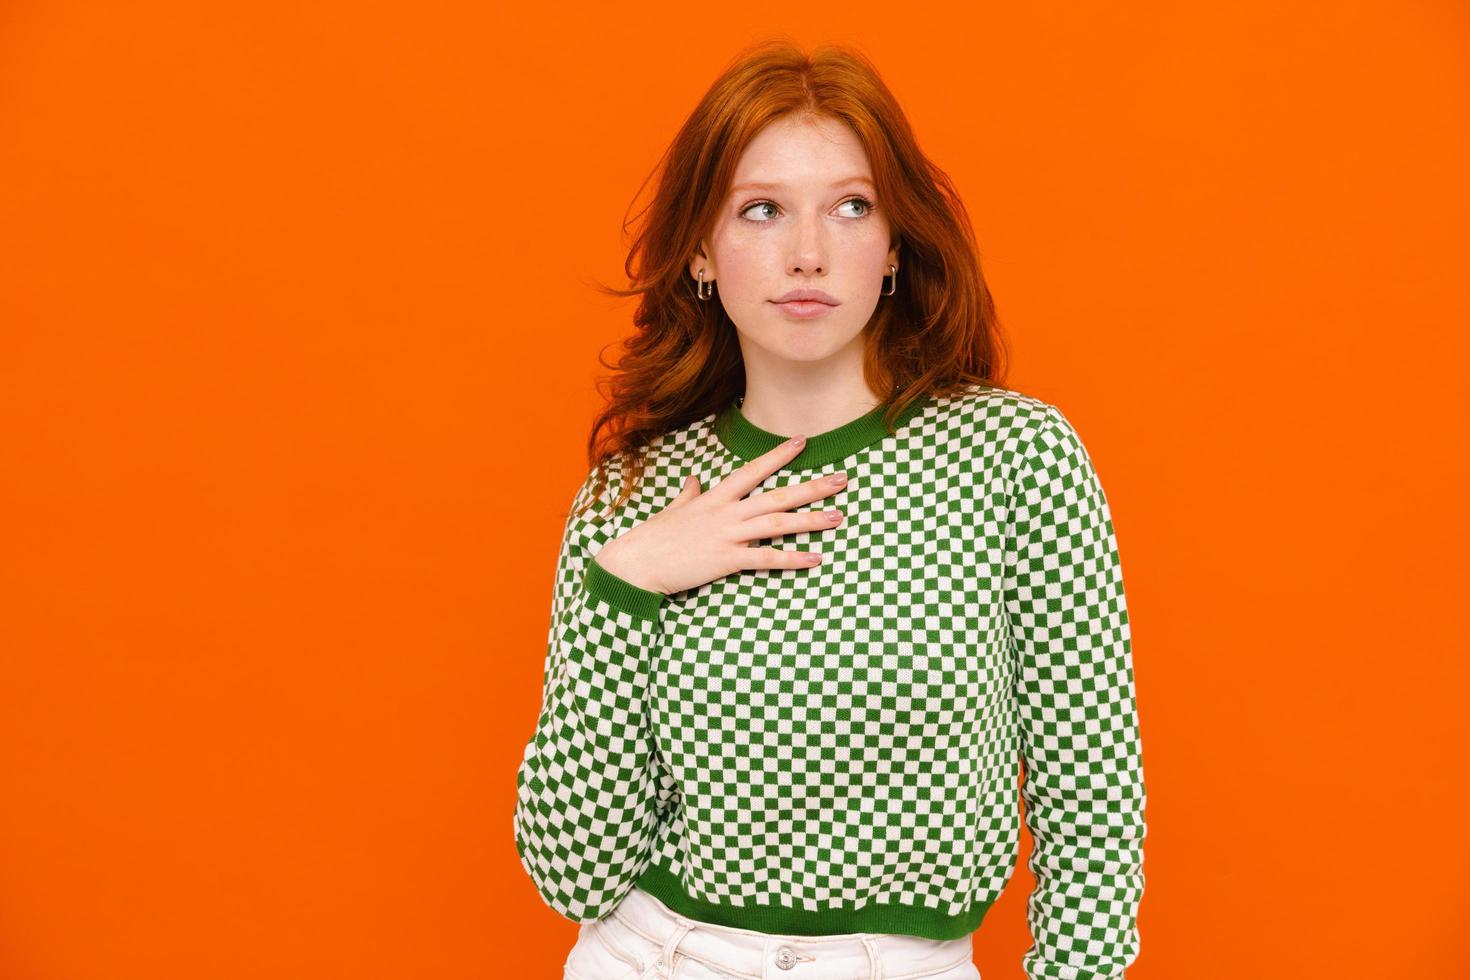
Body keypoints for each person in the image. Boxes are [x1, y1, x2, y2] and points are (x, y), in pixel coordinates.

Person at [513, 39, 1146, 980]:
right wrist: (628, 581)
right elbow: (573, 873)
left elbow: (1091, 793)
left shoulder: (1016, 462)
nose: (807, 255)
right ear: (699, 251)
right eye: (761, 210)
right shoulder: (632, 498)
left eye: (852, 208)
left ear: (895, 246)